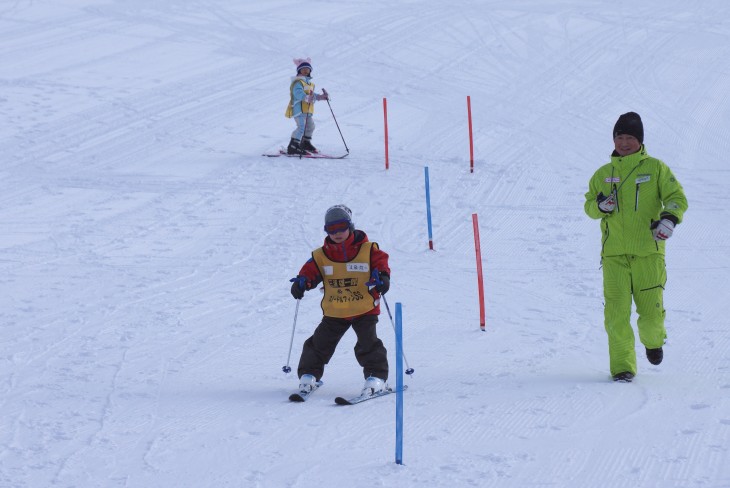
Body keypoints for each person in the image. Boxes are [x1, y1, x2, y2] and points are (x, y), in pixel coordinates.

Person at [584, 112, 688, 382]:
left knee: (651, 316)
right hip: (614, 256)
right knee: (616, 315)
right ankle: (622, 368)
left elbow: (676, 197)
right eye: (620, 137)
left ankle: (653, 342)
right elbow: (588, 205)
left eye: (630, 137)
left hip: (648, 254)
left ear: (640, 140)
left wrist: (669, 219)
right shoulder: (603, 175)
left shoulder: (656, 168)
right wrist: (598, 206)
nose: (624, 142)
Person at [290, 205, 391, 396]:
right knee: (319, 344)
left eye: (342, 227)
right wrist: (303, 282)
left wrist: (383, 278)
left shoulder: (368, 250)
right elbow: (310, 272)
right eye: (331, 229)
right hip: (335, 310)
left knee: (368, 344)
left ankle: (376, 377)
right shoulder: (321, 256)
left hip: (364, 308)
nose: (337, 233)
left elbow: (381, 264)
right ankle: (309, 375)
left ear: (350, 226)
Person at [284, 58, 329, 155]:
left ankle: (305, 143)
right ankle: (293, 146)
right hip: (299, 110)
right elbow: (298, 93)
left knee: (310, 127)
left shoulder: (309, 84)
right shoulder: (297, 82)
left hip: (307, 110)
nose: (305, 71)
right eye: (303, 69)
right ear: (299, 70)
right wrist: (305, 97)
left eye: (307, 69)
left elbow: (312, 95)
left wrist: (321, 97)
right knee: (301, 127)